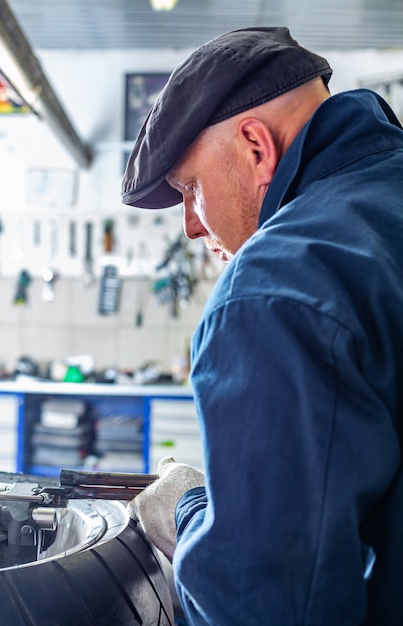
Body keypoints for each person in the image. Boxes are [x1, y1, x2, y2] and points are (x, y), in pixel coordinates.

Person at [122, 27, 403, 625]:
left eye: (190, 187)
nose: (192, 229)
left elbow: (264, 608)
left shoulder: (276, 286)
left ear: (255, 146)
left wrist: (189, 510)